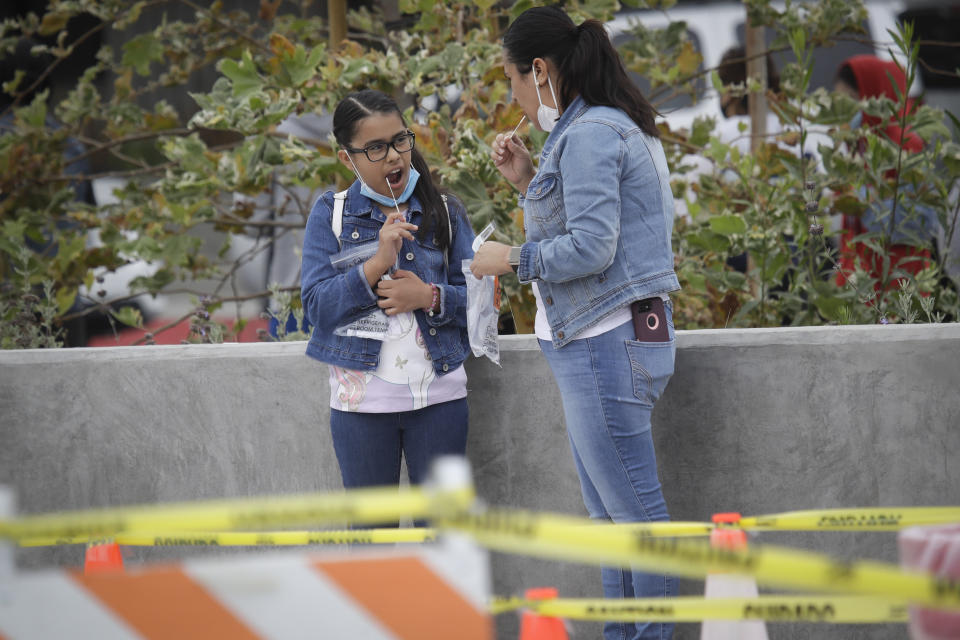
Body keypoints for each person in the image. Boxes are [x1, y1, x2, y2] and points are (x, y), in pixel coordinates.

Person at [470, 7, 679, 640]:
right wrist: (529, 180)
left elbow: (592, 248)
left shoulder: (590, 133)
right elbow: (585, 227)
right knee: (613, 517)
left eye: (511, 79)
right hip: (605, 342)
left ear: (539, 70)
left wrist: (508, 258)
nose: (512, 96)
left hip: (603, 343)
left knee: (635, 517)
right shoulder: (594, 127)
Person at [300, 90, 475, 508]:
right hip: (359, 407)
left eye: (399, 140)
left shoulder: (445, 211)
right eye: (376, 148)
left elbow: (484, 304)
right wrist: (376, 263)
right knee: (370, 539)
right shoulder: (331, 214)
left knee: (443, 532)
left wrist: (429, 296)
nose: (395, 156)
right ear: (348, 159)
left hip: (440, 400)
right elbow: (317, 307)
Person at [832, 55, 936, 290]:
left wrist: (860, 199)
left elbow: (919, 222)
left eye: (849, 100)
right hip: (862, 285)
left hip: (896, 288)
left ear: (872, 95)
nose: (843, 112)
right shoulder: (861, 146)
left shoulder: (904, 148)